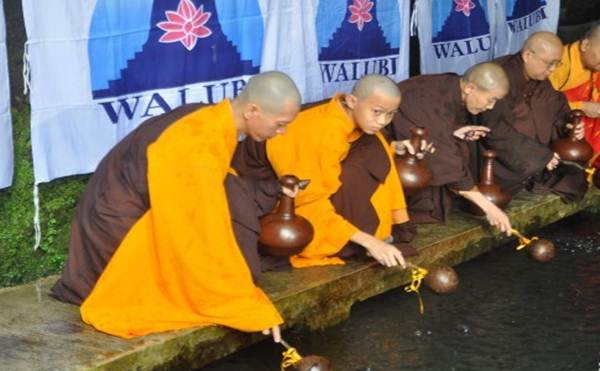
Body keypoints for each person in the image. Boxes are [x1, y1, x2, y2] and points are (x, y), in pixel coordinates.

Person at [51, 71, 302, 340]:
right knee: (162, 292)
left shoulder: (212, 119)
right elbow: (194, 234)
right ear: (253, 110)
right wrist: (243, 304)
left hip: (125, 204)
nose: (282, 133)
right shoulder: (197, 140)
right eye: (279, 125)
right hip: (115, 224)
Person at [234, 74, 416, 269]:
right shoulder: (322, 133)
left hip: (306, 178)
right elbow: (308, 200)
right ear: (352, 101)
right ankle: (353, 239)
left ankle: (378, 230)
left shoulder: (346, 116)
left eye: (390, 114)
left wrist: (394, 147)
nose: (382, 121)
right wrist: (368, 241)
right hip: (261, 194)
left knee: (376, 146)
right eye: (377, 112)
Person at [386, 62, 513, 235]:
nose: (490, 107)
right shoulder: (426, 98)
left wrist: (454, 132)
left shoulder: (451, 86)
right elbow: (446, 159)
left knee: (456, 148)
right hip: (385, 149)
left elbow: (437, 129)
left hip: (414, 141)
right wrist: (488, 207)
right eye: (491, 99)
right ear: (469, 88)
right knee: (444, 158)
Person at [480, 31, 588, 201]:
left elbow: (556, 108)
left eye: (557, 64)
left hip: (539, 156)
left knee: (574, 176)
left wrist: (568, 125)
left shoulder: (540, 78)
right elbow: (492, 128)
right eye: (549, 64)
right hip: (503, 160)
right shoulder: (498, 75)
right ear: (528, 55)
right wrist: (538, 156)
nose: (552, 70)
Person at [549, 23, 600, 167]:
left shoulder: (594, 63)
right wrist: (581, 106)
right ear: (585, 45)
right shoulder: (559, 65)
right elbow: (542, 104)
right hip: (561, 125)